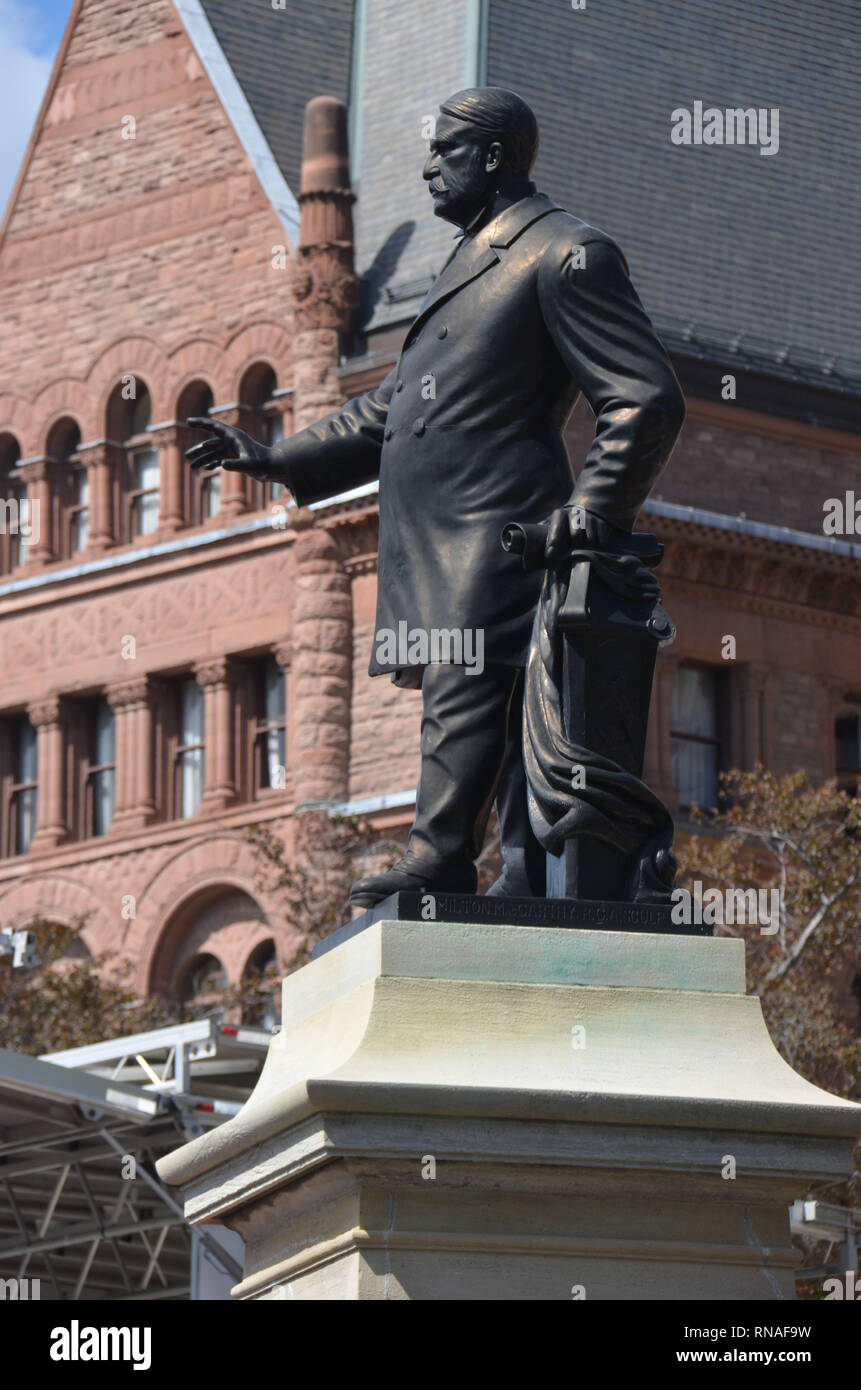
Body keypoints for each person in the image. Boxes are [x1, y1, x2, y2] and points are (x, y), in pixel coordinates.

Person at [187, 86, 685, 907]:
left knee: (466, 691)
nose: (426, 168)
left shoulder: (565, 253)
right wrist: (281, 458)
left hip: (500, 528)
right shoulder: (469, 258)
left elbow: (643, 397)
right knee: (499, 702)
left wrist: (590, 510)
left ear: (492, 157)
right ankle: (514, 871)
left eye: (444, 151)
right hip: (437, 535)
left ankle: (440, 856)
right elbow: (391, 407)